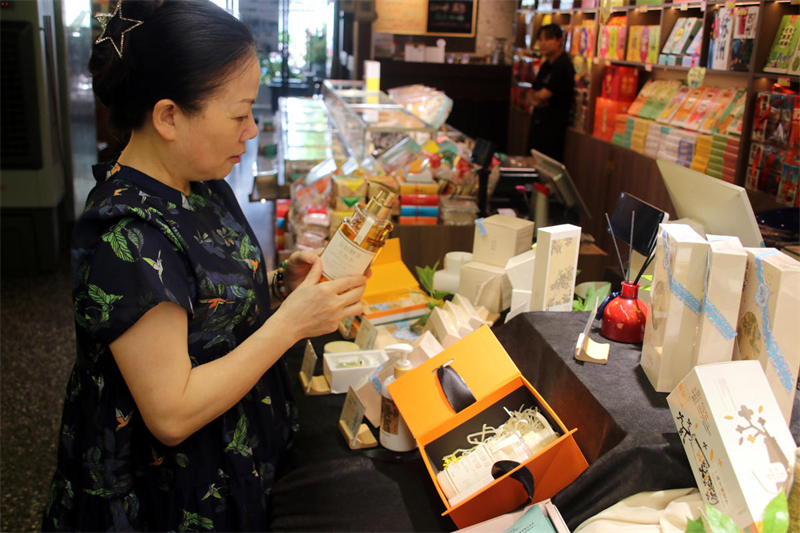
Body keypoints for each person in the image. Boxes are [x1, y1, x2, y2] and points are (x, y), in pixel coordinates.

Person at [42, 1, 367, 530]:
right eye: (239, 115)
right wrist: (290, 324)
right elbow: (171, 412)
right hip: (170, 490)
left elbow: (200, 304)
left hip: (234, 451)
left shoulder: (200, 184)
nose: (252, 130)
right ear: (168, 115)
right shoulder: (128, 234)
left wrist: (280, 286)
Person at [527, 24, 576, 163]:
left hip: (553, 130)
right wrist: (536, 98)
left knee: (546, 171)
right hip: (538, 125)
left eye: (547, 39)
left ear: (559, 40)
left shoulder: (563, 66)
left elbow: (543, 95)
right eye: (540, 40)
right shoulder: (546, 65)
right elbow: (531, 93)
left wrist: (537, 97)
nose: (542, 44)